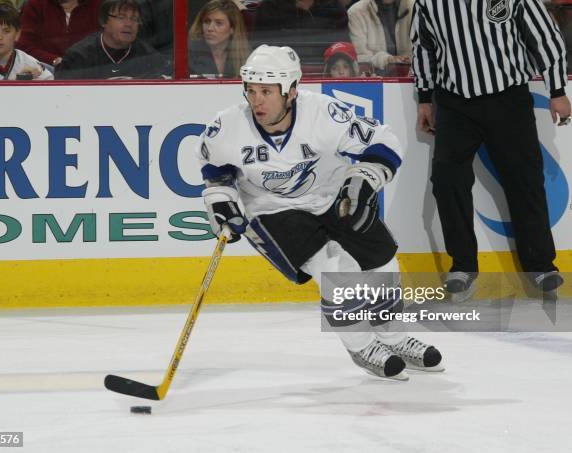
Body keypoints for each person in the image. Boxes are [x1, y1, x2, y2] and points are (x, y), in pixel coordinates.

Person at [196, 44, 444, 380]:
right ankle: (360, 345)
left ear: (292, 91)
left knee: (383, 257)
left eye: (267, 92)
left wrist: (364, 178)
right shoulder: (227, 127)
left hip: (330, 196)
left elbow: (383, 142)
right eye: (252, 91)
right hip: (272, 210)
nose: (257, 101)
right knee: (335, 266)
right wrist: (221, 200)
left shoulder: (325, 114)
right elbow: (215, 170)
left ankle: (394, 336)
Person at [411, 0, 571, 298]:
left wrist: (557, 90)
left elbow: (545, 36)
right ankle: (463, 266)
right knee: (447, 183)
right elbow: (423, 48)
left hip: (508, 97)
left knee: (525, 181)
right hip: (453, 101)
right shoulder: (429, 2)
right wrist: (423, 97)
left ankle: (540, 266)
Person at [55, 0, 171, 79]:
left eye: (134, 19)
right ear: (103, 21)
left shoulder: (149, 58)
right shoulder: (78, 57)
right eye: (121, 17)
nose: (129, 24)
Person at [0, 3, 53, 80]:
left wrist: (35, 85)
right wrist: (19, 82)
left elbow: (52, 87)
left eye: (6, 31)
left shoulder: (29, 63)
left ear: (17, 34)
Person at [252, 0, 349, 63]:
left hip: (326, 73)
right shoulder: (269, 8)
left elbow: (343, 50)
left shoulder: (334, 7)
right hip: (280, 75)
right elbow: (261, 52)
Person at [17, 0, 103, 69]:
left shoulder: (99, 4)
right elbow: (24, 47)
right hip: (46, 70)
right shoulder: (36, 5)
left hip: (90, 71)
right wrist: (56, 61)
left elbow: (109, 44)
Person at [348, 0, 412, 74]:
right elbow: (361, 57)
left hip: (413, 77)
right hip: (375, 79)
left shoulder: (416, 7)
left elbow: (424, 49)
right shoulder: (356, 12)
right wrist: (387, 60)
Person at [188, 0, 250, 78]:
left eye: (218, 23)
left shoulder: (247, 56)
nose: (210, 28)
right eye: (207, 22)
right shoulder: (188, 53)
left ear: (232, 28)